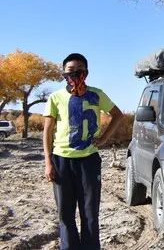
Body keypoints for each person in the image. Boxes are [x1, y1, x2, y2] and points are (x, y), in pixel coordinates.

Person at [43, 53, 124, 250]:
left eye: (80, 69)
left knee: (90, 214)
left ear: (86, 72)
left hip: (89, 161)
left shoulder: (97, 94)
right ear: (64, 72)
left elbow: (117, 115)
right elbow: (47, 131)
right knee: (65, 214)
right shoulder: (55, 98)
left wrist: (104, 138)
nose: (75, 73)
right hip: (61, 161)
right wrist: (48, 162)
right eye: (70, 70)